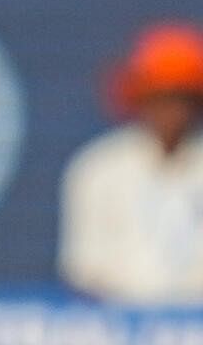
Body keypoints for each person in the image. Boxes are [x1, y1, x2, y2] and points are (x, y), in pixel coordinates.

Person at [59, 23, 203, 305]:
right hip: (119, 329)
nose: (172, 111)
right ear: (139, 98)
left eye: (183, 98)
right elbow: (82, 267)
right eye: (159, 97)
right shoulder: (98, 168)